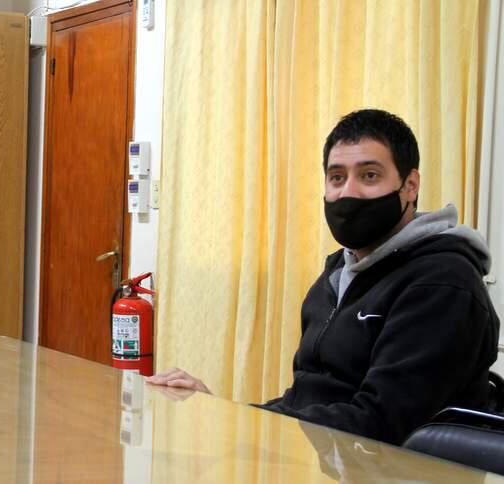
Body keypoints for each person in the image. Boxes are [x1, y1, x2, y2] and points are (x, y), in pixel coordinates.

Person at [148, 109, 500, 444]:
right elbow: (304, 400)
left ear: (410, 185)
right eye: (336, 178)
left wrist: (243, 425)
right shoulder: (337, 273)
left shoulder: (442, 283)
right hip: (324, 464)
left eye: (369, 175)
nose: (348, 192)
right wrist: (222, 413)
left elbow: (380, 425)